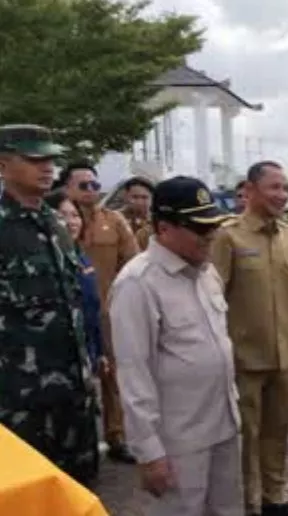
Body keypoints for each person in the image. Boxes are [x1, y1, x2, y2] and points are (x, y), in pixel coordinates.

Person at [109, 176, 242, 516]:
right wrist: (150, 452)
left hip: (223, 425)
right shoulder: (138, 284)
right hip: (179, 441)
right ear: (165, 228)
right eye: (200, 228)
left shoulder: (206, 272)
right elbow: (133, 373)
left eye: (213, 225)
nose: (210, 235)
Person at [211, 161, 288, 516]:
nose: (282, 195)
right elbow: (212, 298)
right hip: (243, 359)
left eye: (285, 188)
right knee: (246, 437)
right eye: (274, 187)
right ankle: (248, 505)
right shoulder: (227, 236)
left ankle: (273, 500)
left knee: (277, 433)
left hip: (285, 356)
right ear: (250, 190)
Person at [0, 124, 99, 485]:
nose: (47, 168)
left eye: (50, 160)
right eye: (34, 159)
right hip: (20, 402)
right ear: (3, 166)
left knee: (76, 494)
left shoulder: (57, 225)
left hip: (74, 398)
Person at [59, 161, 139, 464]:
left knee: (113, 377)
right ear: (67, 188)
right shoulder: (57, 222)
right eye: (83, 185)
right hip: (66, 316)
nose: (91, 191)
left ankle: (117, 436)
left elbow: (132, 264)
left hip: (107, 313)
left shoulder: (114, 221)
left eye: (95, 185)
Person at [45, 190, 109, 376]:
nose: (71, 222)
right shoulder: (46, 261)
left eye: (75, 215)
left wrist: (99, 353)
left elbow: (92, 309)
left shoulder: (82, 259)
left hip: (86, 356)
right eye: (62, 215)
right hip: (54, 363)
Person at [120, 176, 154, 249]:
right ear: (126, 197)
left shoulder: (158, 223)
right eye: (135, 197)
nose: (139, 202)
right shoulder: (115, 219)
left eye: (144, 197)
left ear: (152, 198)